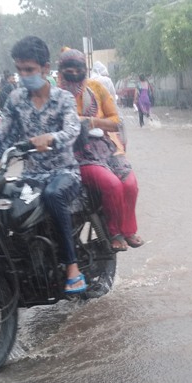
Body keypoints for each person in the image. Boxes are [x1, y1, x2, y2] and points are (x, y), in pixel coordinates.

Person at [0, 36, 87, 294]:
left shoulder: (64, 99)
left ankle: (72, 267)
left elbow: (72, 129)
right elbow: (0, 137)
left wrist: (52, 138)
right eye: (20, 70)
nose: (24, 75)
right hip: (31, 176)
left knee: (53, 195)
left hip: (64, 173)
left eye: (30, 70)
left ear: (45, 69)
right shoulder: (15, 100)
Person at [58, 48, 144, 252]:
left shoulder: (96, 89)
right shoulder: (55, 96)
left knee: (130, 183)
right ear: (60, 71)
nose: (73, 73)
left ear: (85, 70)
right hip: (75, 151)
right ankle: (114, 231)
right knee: (112, 184)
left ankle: (128, 230)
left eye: (77, 68)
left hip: (105, 145)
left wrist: (92, 122)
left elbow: (116, 122)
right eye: (68, 69)